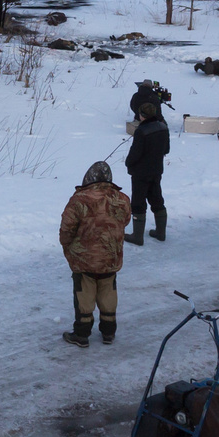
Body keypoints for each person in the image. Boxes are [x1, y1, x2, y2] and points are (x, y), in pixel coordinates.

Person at [57, 160, 132, 346]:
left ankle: (82, 334)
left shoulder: (80, 200)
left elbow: (67, 228)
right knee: (108, 293)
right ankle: (108, 333)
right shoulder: (122, 199)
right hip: (110, 258)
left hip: (85, 259)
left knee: (84, 295)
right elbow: (125, 221)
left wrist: (67, 247)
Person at [125, 98, 169, 245]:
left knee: (138, 203)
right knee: (156, 199)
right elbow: (166, 149)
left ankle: (137, 237)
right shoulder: (163, 127)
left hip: (141, 173)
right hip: (156, 170)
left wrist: (128, 163)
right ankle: (161, 233)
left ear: (142, 115)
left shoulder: (141, 131)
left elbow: (135, 154)